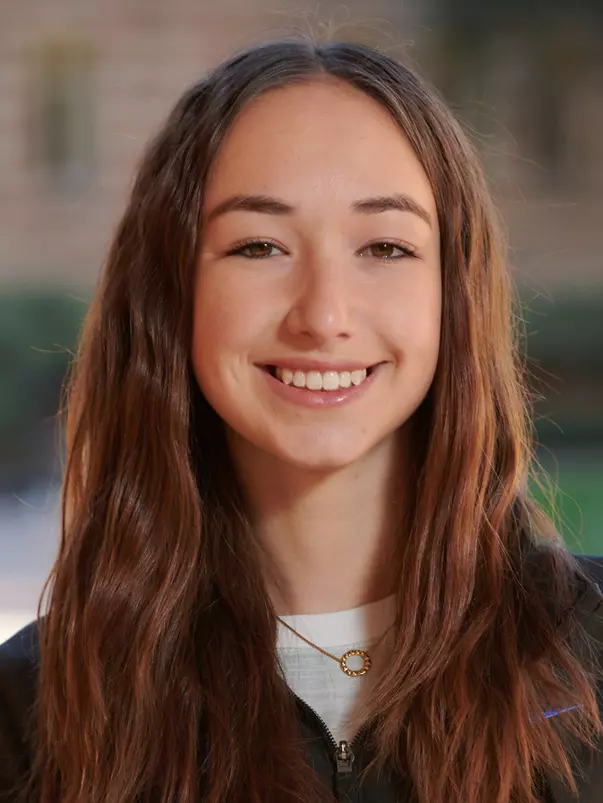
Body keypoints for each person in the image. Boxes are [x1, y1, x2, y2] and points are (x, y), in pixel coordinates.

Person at [0, 37, 602, 803]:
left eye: (384, 246)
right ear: (171, 295)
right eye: (259, 246)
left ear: (454, 293)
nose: (322, 315)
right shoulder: (31, 713)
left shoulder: (591, 659)